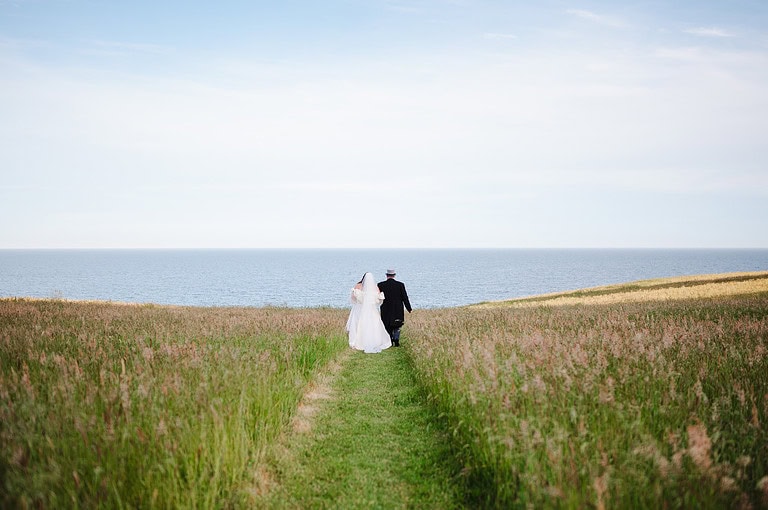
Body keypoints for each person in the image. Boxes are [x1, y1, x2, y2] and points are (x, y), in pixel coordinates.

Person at [346, 272, 392, 354]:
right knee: (373, 325)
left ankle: (356, 341)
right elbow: (378, 300)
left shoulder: (358, 286)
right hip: (371, 310)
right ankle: (374, 340)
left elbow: (353, 298)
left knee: (358, 325)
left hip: (359, 309)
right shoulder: (375, 287)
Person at [378, 268, 412, 347]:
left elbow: (378, 297)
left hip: (385, 308)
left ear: (386, 275)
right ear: (394, 275)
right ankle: (396, 338)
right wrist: (409, 308)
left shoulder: (380, 285)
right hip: (397, 308)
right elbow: (405, 297)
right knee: (397, 324)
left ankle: (389, 339)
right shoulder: (400, 285)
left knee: (387, 324)